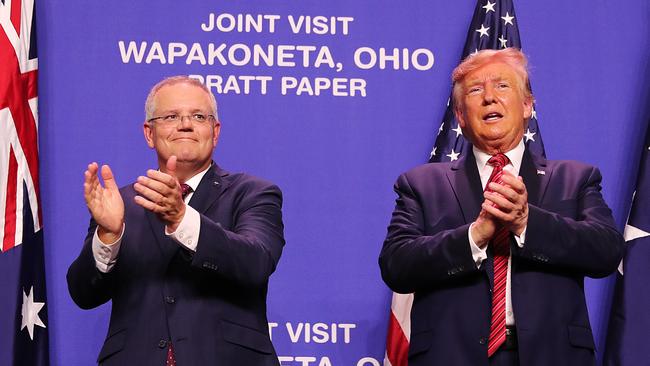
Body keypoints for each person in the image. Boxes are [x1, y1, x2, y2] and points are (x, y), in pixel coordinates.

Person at [378, 48, 624, 366]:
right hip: (451, 356)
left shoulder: (575, 178)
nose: (490, 98)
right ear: (460, 116)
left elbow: (606, 252)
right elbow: (397, 266)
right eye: (476, 90)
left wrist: (526, 223)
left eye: (502, 86)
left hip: (552, 355)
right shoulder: (421, 184)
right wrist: (475, 236)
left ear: (527, 106)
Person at [67, 76, 285, 365]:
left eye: (198, 116)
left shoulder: (253, 193)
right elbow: (84, 294)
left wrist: (182, 218)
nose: (185, 124)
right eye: (171, 116)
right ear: (149, 133)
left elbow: (256, 262)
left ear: (215, 131)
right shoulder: (119, 204)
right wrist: (109, 235)